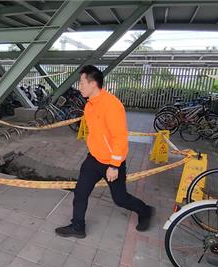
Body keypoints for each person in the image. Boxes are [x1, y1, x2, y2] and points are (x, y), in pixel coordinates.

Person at [55, 65, 155, 239]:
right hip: (93, 159)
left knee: (120, 198)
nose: (80, 87)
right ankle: (78, 227)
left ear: (93, 84)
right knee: (80, 192)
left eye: (82, 82)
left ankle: (145, 211)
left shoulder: (112, 105)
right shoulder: (89, 105)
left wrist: (115, 165)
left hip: (111, 163)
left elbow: (120, 137)